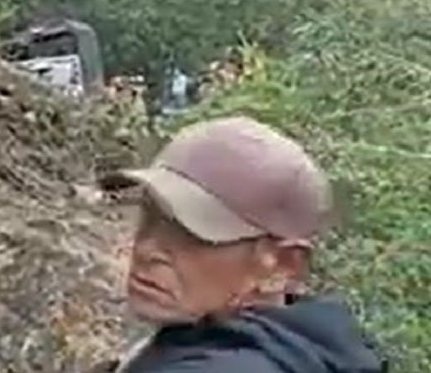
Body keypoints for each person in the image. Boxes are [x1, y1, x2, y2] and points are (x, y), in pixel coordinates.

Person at [95, 117, 383, 373]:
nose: (146, 249)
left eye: (191, 232)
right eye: (149, 215)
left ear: (282, 266)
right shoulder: (303, 348)